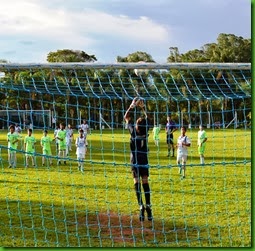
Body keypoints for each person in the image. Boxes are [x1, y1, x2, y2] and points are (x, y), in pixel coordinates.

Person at [124, 97, 152, 222]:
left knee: (136, 182)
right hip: (144, 160)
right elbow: (150, 119)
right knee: (145, 182)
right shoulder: (145, 132)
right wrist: (143, 107)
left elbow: (126, 116)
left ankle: (141, 206)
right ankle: (149, 207)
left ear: (136, 126)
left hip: (135, 160)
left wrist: (132, 105)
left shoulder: (133, 133)